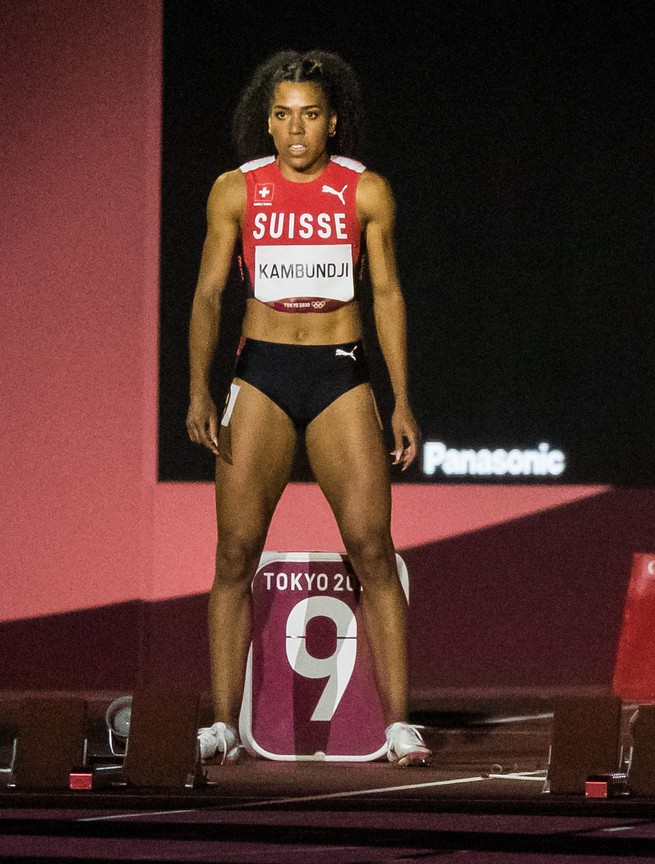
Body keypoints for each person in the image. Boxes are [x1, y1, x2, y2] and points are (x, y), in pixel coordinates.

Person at [185, 50, 430, 767]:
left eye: (312, 115)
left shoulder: (365, 191)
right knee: (234, 553)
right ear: (268, 121)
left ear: (332, 123)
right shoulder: (236, 190)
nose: (297, 128)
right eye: (285, 114)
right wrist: (199, 387)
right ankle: (224, 723)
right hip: (260, 372)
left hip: (339, 372)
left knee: (372, 549)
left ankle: (399, 726)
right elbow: (207, 295)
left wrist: (402, 398)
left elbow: (386, 295)